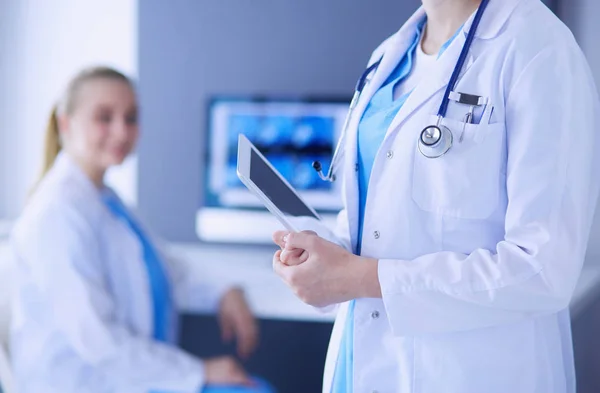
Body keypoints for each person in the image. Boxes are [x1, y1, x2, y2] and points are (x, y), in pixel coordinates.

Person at [272, 0, 600, 392]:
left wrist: (361, 277)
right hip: (361, 363)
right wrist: (326, 262)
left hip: (471, 373)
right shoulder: (389, 56)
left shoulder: (539, 48)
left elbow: (543, 270)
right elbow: (378, 220)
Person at [9, 66, 274, 393]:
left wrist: (224, 290)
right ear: (66, 123)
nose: (121, 132)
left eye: (131, 118)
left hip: (134, 376)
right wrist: (199, 371)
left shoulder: (105, 199)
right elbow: (98, 340)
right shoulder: (56, 213)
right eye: (104, 118)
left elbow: (165, 268)